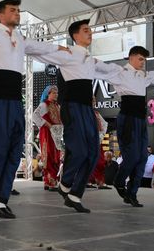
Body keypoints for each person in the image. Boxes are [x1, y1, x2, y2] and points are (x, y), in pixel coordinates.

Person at [0, 0, 72, 218]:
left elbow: (40, 47)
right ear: (0, 15)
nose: (17, 13)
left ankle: (1, 198)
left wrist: (61, 49)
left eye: (18, 10)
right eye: (12, 10)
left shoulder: (20, 38)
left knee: (15, 151)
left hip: (15, 102)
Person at [49, 19, 121, 213]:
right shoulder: (67, 53)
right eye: (86, 30)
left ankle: (74, 195)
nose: (90, 33)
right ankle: (64, 184)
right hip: (72, 108)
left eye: (91, 30)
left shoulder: (90, 59)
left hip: (87, 109)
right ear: (75, 35)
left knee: (93, 153)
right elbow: (42, 51)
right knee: (79, 151)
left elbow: (110, 70)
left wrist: (132, 72)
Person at [96, 46, 154, 207]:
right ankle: (119, 180)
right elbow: (99, 69)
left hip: (141, 120)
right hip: (127, 119)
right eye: (140, 59)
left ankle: (132, 194)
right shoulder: (120, 73)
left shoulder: (144, 75)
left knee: (142, 157)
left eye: (145, 60)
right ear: (131, 58)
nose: (143, 62)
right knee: (132, 156)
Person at [32, 85, 62, 190]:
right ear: (48, 94)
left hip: (57, 134)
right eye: (53, 93)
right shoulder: (44, 105)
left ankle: (49, 181)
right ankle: (50, 181)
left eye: (57, 93)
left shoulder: (57, 106)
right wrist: (46, 123)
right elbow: (34, 116)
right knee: (48, 155)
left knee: (56, 155)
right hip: (47, 133)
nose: (56, 95)